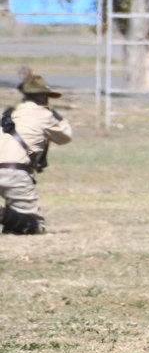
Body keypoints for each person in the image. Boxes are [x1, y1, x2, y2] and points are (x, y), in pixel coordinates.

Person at [0, 70, 74, 235]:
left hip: (8, 168)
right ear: (44, 97)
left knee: (15, 226)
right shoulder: (43, 115)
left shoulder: (9, 113)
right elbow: (65, 136)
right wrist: (54, 114)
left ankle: (9, 219)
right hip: (14, 173)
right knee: (33, 226)